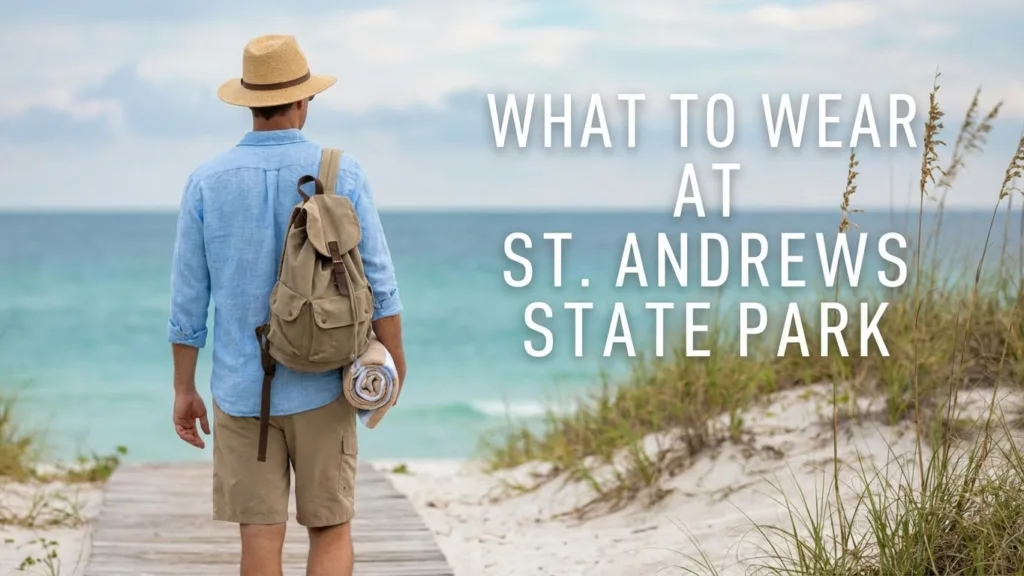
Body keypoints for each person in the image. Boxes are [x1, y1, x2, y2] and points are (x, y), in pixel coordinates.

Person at [166, 34, 406, 576]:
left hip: (240, 388)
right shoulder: (342, 171)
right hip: (324, 381)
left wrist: (184, 389)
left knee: (259, 536)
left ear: (249, 103)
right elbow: (381, 280)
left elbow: (188, 302)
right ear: (303, 101)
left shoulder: (205, 182)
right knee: (330, 527)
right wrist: (394, 358)